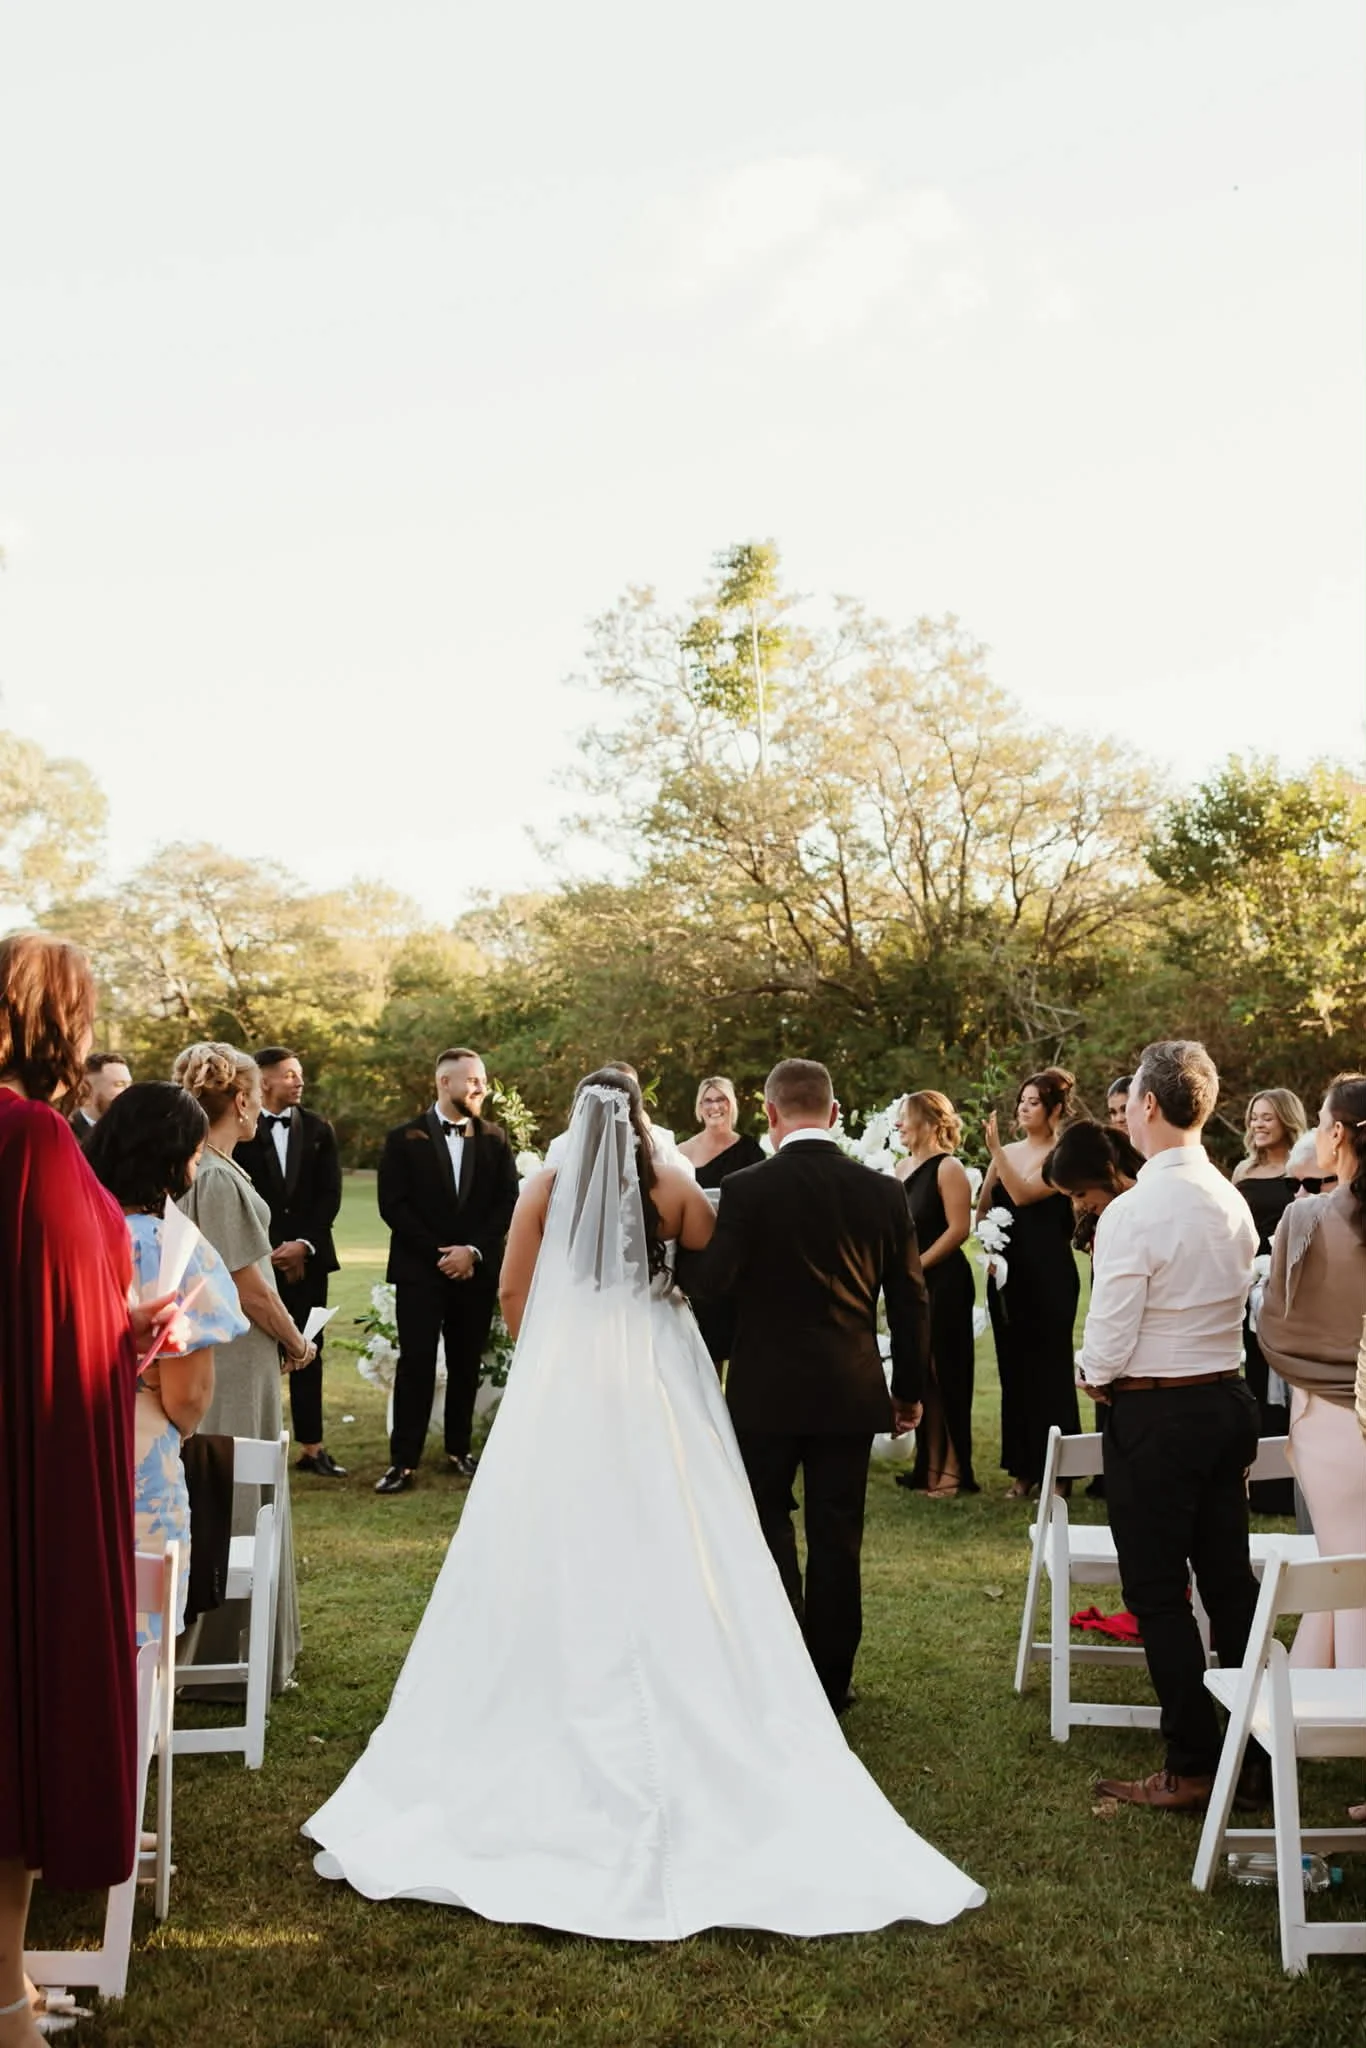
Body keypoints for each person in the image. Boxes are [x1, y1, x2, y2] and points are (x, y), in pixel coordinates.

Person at [303, 1068, 983, 1939]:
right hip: (661, 1375)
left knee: (553, 1527)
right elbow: (705, 1278)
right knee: (690, 1525)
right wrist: (659, 1298)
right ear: (642, 1117)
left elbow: (514, 1293)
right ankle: (762, 1671)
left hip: (569, 1382)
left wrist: (557, 1344)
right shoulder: (674, 1183)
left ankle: (554, 1670)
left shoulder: (543, 1187)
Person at [0, 935, 175, 2048]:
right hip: (29, 1472)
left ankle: (11, 1973)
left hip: (47, 1443)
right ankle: (6, 2001)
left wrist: (117, 1333)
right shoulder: (24, 1139)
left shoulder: (40, 1139)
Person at [682, 1058, 930, 1712]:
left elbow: (713, 1285)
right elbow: (910, 1300)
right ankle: (832, 1679)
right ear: (836, 1113)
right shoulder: (882, 1192)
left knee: (766, 1527)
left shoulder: (746, 1188)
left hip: (763, 1395)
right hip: (849, 1392)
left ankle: (781, 1659)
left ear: (767, 1115)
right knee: (838, 1537)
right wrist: (907, 1389)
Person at [1081, 1042, 1261, 1812]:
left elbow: (1110, 1338)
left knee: (1157, 1591)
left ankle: (1192, 1762)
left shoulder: (1136, 1210)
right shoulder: (1232, 1198)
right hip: (1226, 1400)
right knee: (1228, 1585)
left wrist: (1091, 1371)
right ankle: (1250, 1756)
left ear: (1146, 1107)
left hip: (1157, 1413)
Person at [86, 1082, 250, 1641]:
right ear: (173, 1157)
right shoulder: (169, 1247)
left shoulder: (67, 1231)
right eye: (197, 1155)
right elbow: (188, 1395)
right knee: (140, 1636)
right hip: (139, 1446)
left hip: (51, 1439)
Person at [174, 1042, 310, 1694]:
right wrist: (297, 1341)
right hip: (229, 1360)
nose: (259, 1103)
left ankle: (229, 1653)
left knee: (230, 1492)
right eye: (254, 1091)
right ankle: (219, 1662)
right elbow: (249, 1286)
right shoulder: (217, 1180)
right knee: (232, 1495)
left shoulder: (206, 1169)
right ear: (239, 1099)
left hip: (229, 1357)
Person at [374, 1048, 521, 1494]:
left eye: (482, 1081)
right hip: (421, 1270)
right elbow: (392, 1205)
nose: (481, 1088)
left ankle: (459, 1449)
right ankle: (403, 1462)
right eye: (473, 1081)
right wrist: (441, 1253)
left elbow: (507, 1202)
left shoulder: (495, 1138)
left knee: (465, 1363)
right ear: (444, 1083)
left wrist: (472, 1251)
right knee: (415, 1364)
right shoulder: (403, 1138)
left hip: (474, 1271)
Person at [1257, 1074, 1366, 1669]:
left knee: (1345, 1569)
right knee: (1344, 1558)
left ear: (1340, 1136)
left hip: (1328, 1419)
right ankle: (1310, 1686)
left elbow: (1276, 1331)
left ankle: (1350, 1702)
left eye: (1323, 1122)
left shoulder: (1305, 1221)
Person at [234, 1046, 345, 1477]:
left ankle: (313, 1447)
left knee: (309, 1350)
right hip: (254, 1262)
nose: (299, 1081)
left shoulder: (319, 1129)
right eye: (290, 1074)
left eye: (300, 1074)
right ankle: (256, 1451)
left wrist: (304, 1245)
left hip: (310, 1259)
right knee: (258, 1354)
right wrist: (272, 1251)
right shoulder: (240, 1130)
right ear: (264, 1081)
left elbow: (329, 1195)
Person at [981, 1068, 1081, 1497]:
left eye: (1033, 1102)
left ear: (1055, 1109)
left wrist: (995, 1153)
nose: (1023, 1108)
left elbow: (1023, 1194)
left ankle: (1058, 1474)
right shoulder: (1007, 1152)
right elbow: (988, 1202)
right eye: (1021, 1100)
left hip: (1049, 1275)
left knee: (1049, 1372)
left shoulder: (1063, 1153)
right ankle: (1023, 1468)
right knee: (1015, 1373)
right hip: (1008, 1275)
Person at [893, 1090, 977, 1497]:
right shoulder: (899, 1168)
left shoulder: (949, 1168)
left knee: (946, 1374)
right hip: (912, 1285)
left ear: (927, 1121)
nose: (897, 1125)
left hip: (945, 1283)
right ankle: (927, 1466)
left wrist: (918, 1265)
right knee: (920, 1373)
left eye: (904, 1117)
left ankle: (955, 1470)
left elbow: (959, 1229)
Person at [1231, 1087, 1307, 1513]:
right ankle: (1260, 1486)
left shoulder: (1302, 1169)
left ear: (1286, 1121)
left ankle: (1293, 1484)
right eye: (1254, 1117)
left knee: (1291, 1387)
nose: (1257, 1125)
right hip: (1250, 1293)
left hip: (1292, 1290)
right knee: (1256, 1385)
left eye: (1267, 1118)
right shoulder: (1242, 1170)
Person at [676, 1076, 765, 1367]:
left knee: (742, 1351)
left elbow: (762, 1205)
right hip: (698, 1262)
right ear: (699, 1108)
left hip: (740, 1261)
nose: (715, 1106)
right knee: (704, 1355)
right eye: (708, 1100)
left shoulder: (750, 1151)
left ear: (732, 1105)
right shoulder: (681, 1154)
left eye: (721, 1099)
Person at [68, 1047, 132, 1144]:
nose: (129, 1092)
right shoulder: (67, 1135)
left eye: (129, 1084)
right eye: (119, 1084)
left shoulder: (134, 1133)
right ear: (88, 1088)